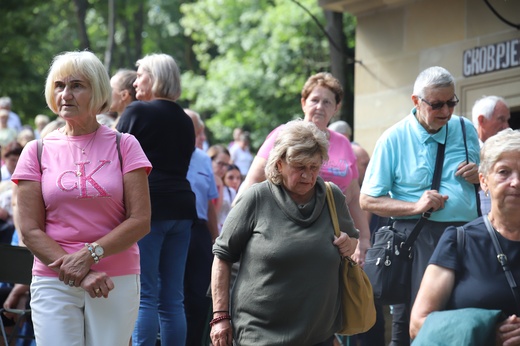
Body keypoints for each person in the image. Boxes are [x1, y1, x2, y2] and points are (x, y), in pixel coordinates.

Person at [11, 50, 152, 346]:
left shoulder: (124, 145)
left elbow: (140, 220)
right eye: (59, 85)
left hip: (115, 277)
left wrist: (90, 256)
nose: (65, 94)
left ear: (98, 91)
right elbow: (29, 230)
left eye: (77, 85)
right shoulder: (35, 151)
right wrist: (77, 271)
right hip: (53, 277)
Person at [360, 66, 480, 346]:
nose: (446, 111)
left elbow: (488, 177)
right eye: (437, 104)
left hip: (466, 234)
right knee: (417, 320)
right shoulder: (393, 138)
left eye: (452, 102)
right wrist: (416, 205)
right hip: (418, 239)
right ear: (416, 101)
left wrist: (479, 174)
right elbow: (368, 199)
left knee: (466, 312)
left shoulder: (466, 129)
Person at [210, 120, 359, 346]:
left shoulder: (332, 197)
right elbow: (222, 256)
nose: (308, 176)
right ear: (279, 164)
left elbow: (352, 239)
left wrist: (350, 243)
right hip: (260, 334)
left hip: (317, 335)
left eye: (314, 167)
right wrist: (220, 317)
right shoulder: (256, 198)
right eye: (299, 167)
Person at [238, 72, 371, 265]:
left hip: (333, 237)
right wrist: (238, 222)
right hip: (285, 231)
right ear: (303, 103)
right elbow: (252, 181)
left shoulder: (343, 144)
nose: (319, 106)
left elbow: (353, 195)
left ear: (336, 108)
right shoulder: (283, 135)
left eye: (327, 102)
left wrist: (363, 238)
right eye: (314, 100)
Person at [116, 53, 197, 346]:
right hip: (182, 208)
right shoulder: (187, 120)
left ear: (156, 78)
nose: (136, 81)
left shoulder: (137, 111)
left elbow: (114, 160)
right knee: (173, 297)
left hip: (148, 208)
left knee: (145, 293)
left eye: (141, 75)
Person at [410, 128, 520, 345]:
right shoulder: (459, 241)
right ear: (484, 181)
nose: (516, 182)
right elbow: (417, 325)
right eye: (504, 172)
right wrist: (486, 332)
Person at [184, 108, 219, 346]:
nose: (203, 136)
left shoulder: (203, 158)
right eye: (199, 131)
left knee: (199, 296)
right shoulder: (159, 153)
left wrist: (217, 240)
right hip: (168, 228)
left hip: (198, 231)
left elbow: (209, 204)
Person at [472, 95, 511, 215]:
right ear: (481, 121)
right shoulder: (465, 151)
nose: (507, 126)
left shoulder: (510, 152)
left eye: (507, 120)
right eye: (501, 119)